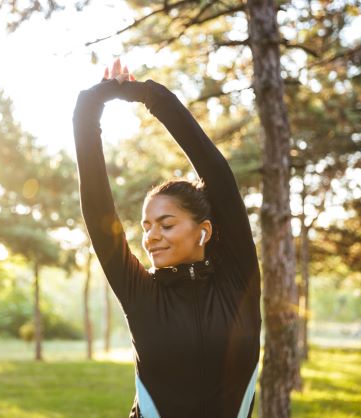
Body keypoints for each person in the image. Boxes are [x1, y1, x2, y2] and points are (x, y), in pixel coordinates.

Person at [72, 59, 261, 418]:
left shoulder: (239, 284)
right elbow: (99, 210)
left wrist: (149, 95)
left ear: (203, 231)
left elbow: (217, 173)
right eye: (146, 227)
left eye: (166, 224)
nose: (152, 237)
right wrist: (90, 106)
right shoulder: (141, 293)